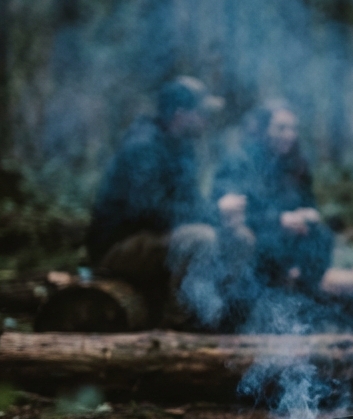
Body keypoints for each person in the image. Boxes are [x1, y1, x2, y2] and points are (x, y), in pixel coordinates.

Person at [86, 76, 253, 330]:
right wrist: (214, 212)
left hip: (161, 240)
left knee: (240, 237)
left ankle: (219, 318)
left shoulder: (183, 147)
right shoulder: (143, 146)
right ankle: (179, 329)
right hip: (120, 247)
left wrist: (221, 215)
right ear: (180, 113)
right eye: (201, 112)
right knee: (201, 239)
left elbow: (190, 204)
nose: (206, 120)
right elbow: (148, 210)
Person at [212, 101, 334, 295]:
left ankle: (305, 297)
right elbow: (231, 211)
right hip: (258, 233)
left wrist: (307, 214)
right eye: (281, 128)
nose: (289, 135)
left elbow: (308, 202)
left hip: (289, 234)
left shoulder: (296, 163)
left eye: (293, 128)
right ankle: (256, 299)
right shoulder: (240, 161)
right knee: (264, 243)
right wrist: (279, 220)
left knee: (321, 236)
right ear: (262, 129)